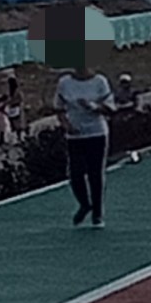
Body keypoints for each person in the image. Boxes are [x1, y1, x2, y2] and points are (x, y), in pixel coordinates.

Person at [55, 61, 117, 227]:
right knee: (75, 173)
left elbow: (110, 109)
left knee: (95, 173)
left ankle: (98, 213)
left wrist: (93, 106)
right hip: (75, 135)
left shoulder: (100, 82)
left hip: (96, 132)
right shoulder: (65, 83)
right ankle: (84, 204)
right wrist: (67, 125)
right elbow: (59, 109)